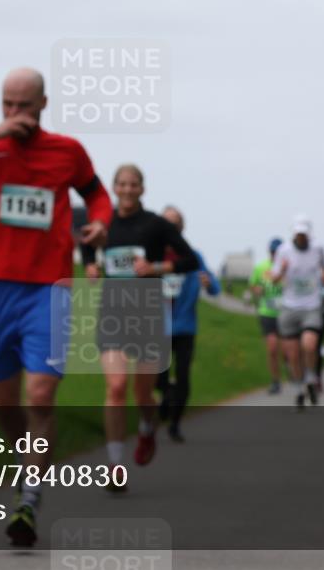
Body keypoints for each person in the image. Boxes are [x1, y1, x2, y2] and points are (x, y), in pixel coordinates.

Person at [0, 68, 112, 547]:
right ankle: (24, 465)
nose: (15, 114)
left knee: (41, 394)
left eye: (23, 106)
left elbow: (97, 194)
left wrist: (100, 222)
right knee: (3, 400)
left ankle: (29, 497)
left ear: (43, 104)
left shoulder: (67, 151)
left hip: (49, 289)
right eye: (7, 104)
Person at [83, 165, 199, 489]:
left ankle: (148, 427)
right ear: (114, 187)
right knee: (116, 387)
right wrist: (90, 265)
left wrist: (156, 267)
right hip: (112, 313)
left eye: (133, 184)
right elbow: (86, 243)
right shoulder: (103, 222)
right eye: (122, 184)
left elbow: (190, 260)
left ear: (142, 189)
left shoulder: (156, 224)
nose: (128, 189)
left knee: (143, 393)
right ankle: (115, 465)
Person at [154, 205, 220, 442]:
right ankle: (167, 395)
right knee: (157, 378)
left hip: (184, 326)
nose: (171, 226)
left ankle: (175, 424)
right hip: (158, 327)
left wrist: (208, 283)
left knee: (183, 377)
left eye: (176, 223)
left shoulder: (193, 256)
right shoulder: (154, 254)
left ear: (182, 227)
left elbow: (215, 288)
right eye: (167, 222)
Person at [269, 215, 324, 411]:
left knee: (309, 345)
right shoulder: (283, 250)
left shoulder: (318, 249)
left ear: (309, 234)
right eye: (298, 234)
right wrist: (282, 271)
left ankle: (311, 377)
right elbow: (273, 279)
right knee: (293, 355)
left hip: (311, 306)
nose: (301, 237)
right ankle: (299, 390)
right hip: (290, 307)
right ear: (294, 234)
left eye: (304, 234)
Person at [249, 238, 285, 394]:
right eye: (272, 252)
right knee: (272, 348)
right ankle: (275, 381)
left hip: (286, 313)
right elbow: (253, 284)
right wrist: (257, 290)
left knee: (287, 349)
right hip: (267, 312)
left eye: (277, 252)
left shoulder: (287, 266)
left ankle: (291, 366)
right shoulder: (261, 267)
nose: (274, 255)